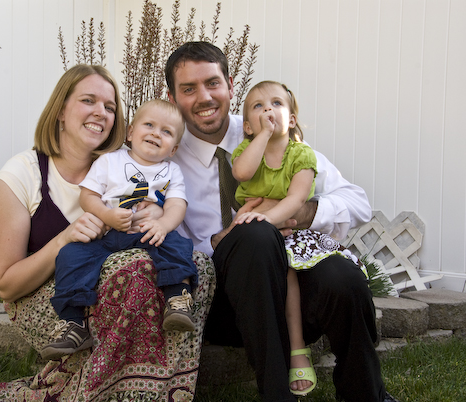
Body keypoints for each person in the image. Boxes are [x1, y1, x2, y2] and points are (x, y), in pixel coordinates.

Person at [165, 41, 401, 402]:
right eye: (188, 88)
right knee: (255, 236)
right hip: (222, 304)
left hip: (291, 293)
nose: (205, 97)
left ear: (230, 85)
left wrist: (298, 212)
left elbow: (357, 203)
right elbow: (162, 240)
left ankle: (368, 395)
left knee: (342, 277)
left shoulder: (271, 127)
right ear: (171, 97)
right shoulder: (163, 155)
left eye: (212, 83)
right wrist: (220, 239)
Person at [0, 64, 215, 402]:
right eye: (88, 100)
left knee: (199, 264)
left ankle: (157, 387)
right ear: (61, 110)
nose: (101, 112)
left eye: (109, 106)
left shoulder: (129, 165)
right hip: (54, 298)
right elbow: (5, 285)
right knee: (133, 271)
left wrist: (158, 214)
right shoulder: (24, 173)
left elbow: (170, 203)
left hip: (120, 279)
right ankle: (105, 378)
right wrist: (64, 238)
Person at [41, 99, 198, 360]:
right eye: (149, 125)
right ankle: (72, 323)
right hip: (107, 233)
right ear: (130, 132)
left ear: (173, 149)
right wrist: (106, 215)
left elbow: (177, 205)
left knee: (178, 244)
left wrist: (163, 225)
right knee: (71, 255)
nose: (156, 133)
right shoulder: (109, 161)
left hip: (147, 231)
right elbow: (88, 195)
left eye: (166, 131)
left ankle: (177, 299)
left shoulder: (172, 171)